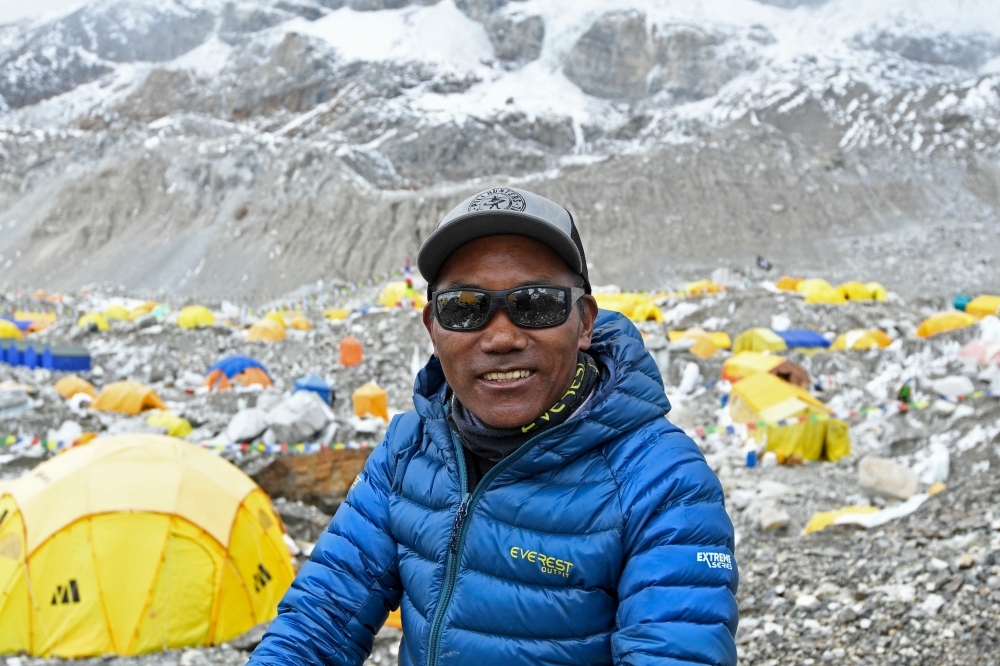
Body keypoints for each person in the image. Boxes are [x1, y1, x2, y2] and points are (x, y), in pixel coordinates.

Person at [248, 187, 739, 666]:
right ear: (433, 329)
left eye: (537, 303)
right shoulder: (409, 450)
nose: (501, 337)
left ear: (584, 323)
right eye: (464, 307)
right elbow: (317, 621)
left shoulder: (661, 480)